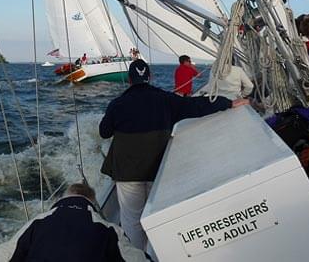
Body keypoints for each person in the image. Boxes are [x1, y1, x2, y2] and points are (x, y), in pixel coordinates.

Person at [99, 59, 249, 250]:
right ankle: (155, 253)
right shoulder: (166, 100)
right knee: (156, 217)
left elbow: (104, 132)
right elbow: (197, 105)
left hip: (127, 172)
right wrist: (228, 103)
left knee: (131, 218)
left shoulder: (117, 104)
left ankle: (137, 256)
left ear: (129, 80)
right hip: (158, 170)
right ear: (150, 77)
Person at [0, 183, 149, 262]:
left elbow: (3, 256)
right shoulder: (108, 228)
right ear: (92, 203)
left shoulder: (38, 222)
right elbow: (136, 259)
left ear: (63, 198)